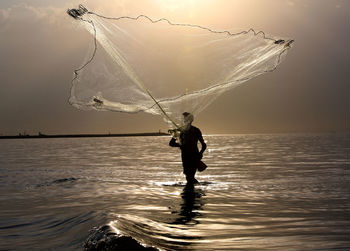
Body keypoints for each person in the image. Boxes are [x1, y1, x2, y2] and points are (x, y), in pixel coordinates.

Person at [169, 112, 207, 184]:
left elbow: (204, 145)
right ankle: (196, 190)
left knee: (189, 177)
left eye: (185, 119)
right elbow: (171, 143)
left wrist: (200, 153)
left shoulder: (194, 130)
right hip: (188, 156)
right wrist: (181, 145)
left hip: (193, 156)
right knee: (190, 176)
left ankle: (195, 191)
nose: (184, 120)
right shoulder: (180, 131)